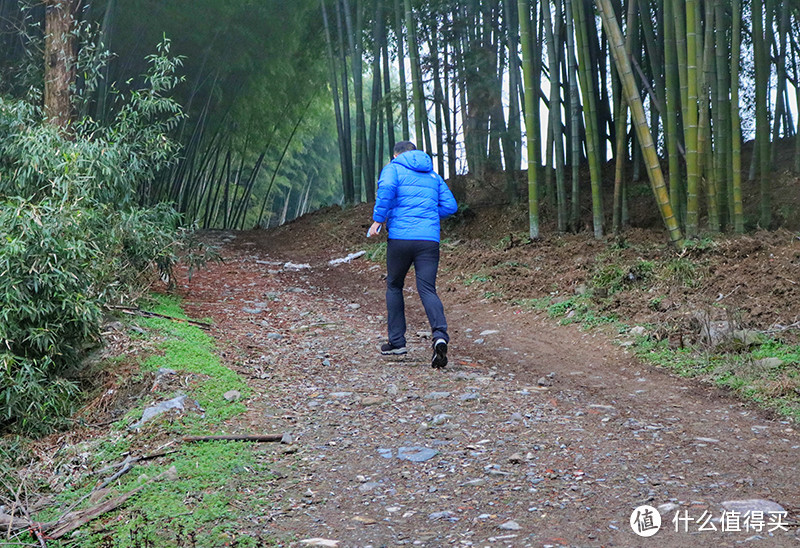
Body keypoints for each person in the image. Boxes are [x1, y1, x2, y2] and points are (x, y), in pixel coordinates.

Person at [368, 141, 458, 369]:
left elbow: (387, 189)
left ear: (395, 154)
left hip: (400, 238)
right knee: (427, 288)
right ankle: (439, 336)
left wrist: (379, 219)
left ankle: (397, 342)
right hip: (428, 240)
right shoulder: (433, 175)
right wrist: (426, 214)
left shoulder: (393, 168)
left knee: (394, 285)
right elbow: (450, 206)